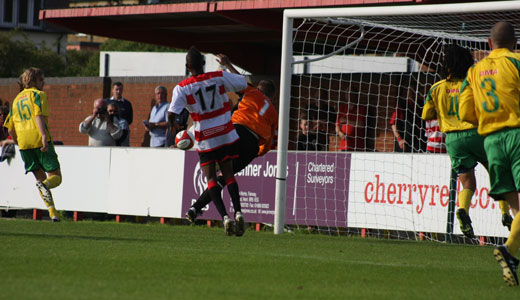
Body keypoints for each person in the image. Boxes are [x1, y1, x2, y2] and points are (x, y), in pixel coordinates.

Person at [422, 44, 512, 240]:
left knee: (468, 183)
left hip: (453, 140)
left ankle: (463, 209)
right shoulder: (473, 84)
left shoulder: (436, 88)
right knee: (498, 172)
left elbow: (426, 114)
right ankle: (505, 213)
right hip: (476, 134)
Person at [185, 54, 278, 237]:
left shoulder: (252, 92)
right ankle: (198, 209)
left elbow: (238, 80)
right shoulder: (273, 112)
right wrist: (257, 152)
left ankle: (214, 212)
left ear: (259, 89)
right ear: (272, 96)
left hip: (235, 132)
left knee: (215, 173)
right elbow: (269, 143)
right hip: (252, 146)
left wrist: (227, 64)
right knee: (225, 178)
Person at [459, 22, 520, 287]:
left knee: (516, 206)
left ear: (488, 42)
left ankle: (512, 255)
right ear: (515, 42)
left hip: (491, 141)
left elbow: (465, 113)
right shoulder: (517, 61)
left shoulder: (473, 71)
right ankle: (509, 250)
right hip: (517, 134)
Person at [169, 47, 248, 236]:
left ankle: (225, 218)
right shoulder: (218, 76)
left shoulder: (182, 87)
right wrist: (228, 64)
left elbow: (172, 113)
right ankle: (238, 211)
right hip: (226, 132)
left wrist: (175, 129)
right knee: (229, 174)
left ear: (188, 66)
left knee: (211, 178)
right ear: (203, 64)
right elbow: (243, 83)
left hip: (205, 136)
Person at [3, 68, 62, 222]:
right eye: (41, 80)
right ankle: (46, 188)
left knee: (39, 178)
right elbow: (38, 115)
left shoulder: (16, 100)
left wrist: (18, 142)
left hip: (24, 144)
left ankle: (53, 213)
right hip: (38, 139)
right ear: (34, 81)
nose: (44, 83)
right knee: (55, 177)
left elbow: (10, 128)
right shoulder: (38, 95)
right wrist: (43, 136)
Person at [391, 88, 426, 153]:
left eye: (414, 91)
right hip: (405, 141)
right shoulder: (402, 105)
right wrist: (399, 139)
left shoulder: (422, 105)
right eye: (410, 91)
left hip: (419, 142)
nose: (412, 93)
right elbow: (393, 124)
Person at [108, 82, 133, 146]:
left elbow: (130, 119)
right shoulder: (107, 102)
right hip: (108, 130)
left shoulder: (127, 104)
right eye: (116, 89)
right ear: (112, 90)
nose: (118, 91)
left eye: (120, 89)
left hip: (122, 130)